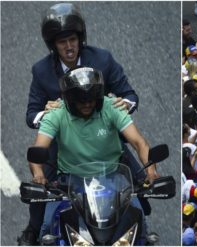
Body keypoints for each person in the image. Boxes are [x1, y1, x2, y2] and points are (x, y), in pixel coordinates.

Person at [21, 4, 142, 245]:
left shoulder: (103, 60)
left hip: (105, 140)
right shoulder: (42, 71)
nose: (69, 46)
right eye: (62, 42)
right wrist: (46, 113)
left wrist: (121, 105)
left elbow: (130, 95)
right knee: (42, 205)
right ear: (53, 46)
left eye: (72, 39)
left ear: (80, 39)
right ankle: (33, 232)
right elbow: (31, 114)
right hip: (64, 145)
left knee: (142, 196)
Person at [28, 67, 158, 244]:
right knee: (47, 227)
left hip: (114, 180)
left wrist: (151, 172)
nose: (87, 104)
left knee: (139, 222)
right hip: (70, 184)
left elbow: (139, 143)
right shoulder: (56, 113)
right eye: (81, 101)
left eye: (91, 99)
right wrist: (39, 175)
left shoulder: (112, 106)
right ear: (69, 100)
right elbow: (38, 149)